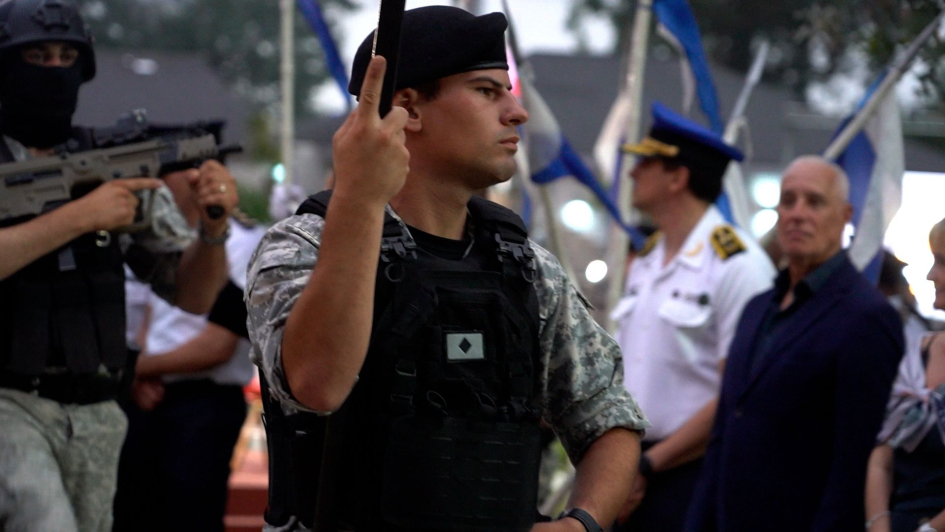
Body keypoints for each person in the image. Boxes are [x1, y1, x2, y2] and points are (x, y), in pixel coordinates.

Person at [245, 6, 648, 532]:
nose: (516, 112)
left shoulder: (526, 269)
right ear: (408, 108)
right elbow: (318, 384)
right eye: (486, 91)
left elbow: (609, 415)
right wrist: (360, 198)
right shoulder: (302, 247)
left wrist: (581, 524)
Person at [0, 1, 238, 530]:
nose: (54, 70)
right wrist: (77, 218)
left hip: (98, 413)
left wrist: (213, 228)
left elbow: (192, 296)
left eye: (66, 57)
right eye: (37, 56)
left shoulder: (108, 165)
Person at [684, 155, 904, 531]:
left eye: (814, 202)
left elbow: (852, 462)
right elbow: (724, 432)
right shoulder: (757, 308)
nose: (797, 214)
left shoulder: (866, 316)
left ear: (845, 215)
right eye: (788, 201)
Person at [609, 103, 774, 531]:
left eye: (646, 162)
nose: (632, 173)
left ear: (677, 177)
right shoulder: (647, 260)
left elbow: (738, 393)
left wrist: (649, 464)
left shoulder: (738, 265)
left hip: (691, 473)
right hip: (628, 463)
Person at [112, 167, 265, 532]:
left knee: (189, 516)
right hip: (147, 396)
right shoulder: (159, 236)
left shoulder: (244, 240)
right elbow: (152, 313)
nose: (158, 183)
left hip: (201, 404)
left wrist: (136, 370)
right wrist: (137, 378)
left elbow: (218, 344)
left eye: (166, 172)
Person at [865, 220, 945, 532]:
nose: (930, 275)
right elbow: (881, 458)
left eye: (941, 262)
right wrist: (878, 524)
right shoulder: (917, 352)